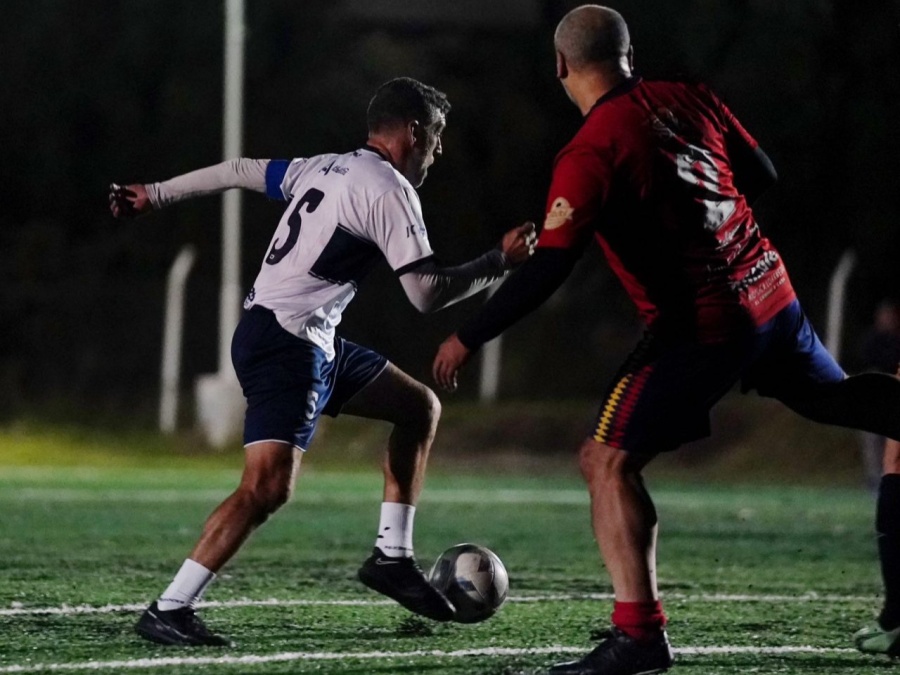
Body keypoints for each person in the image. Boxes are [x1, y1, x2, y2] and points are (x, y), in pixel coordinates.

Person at [431, 6, 900, 673]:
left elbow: (552, 266)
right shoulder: (687, 95)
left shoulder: (591, 150)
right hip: (771, 292)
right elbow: (759, 171)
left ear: (561, 65)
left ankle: (639, 636)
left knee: (606, 462)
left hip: (703, 325)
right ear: (628, 52)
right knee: (841, 400)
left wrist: (466, 335)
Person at [109, 76, 536, 647]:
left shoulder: (325, 166)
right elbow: (426, 293)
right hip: (288, 342)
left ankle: (392, 557)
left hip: (304, 337)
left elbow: (238, 169)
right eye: (436, 137)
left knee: (418, 408)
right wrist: (497, 263)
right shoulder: (387, 188)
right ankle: (171, 606)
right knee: (267, 489)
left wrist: (155, 193)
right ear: (412, 133)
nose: (439, 151)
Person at [858, 300, 900, 490]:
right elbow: (868, 360)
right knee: (871, 438)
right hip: (875, 395)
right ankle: (875, 478)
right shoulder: (872, 339)